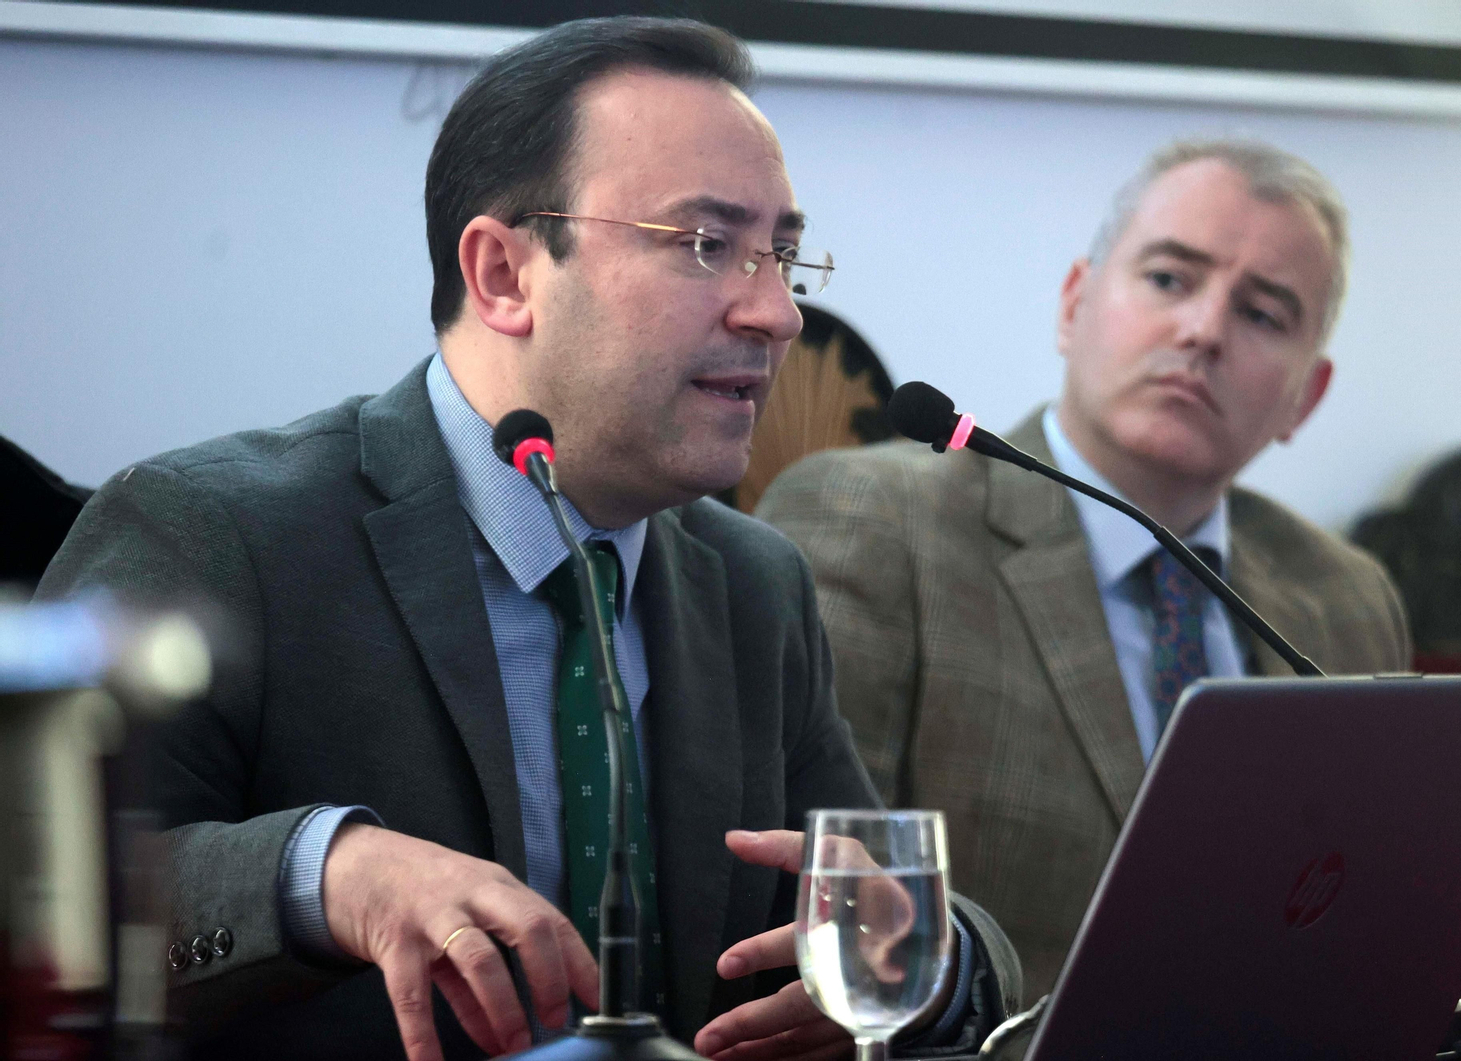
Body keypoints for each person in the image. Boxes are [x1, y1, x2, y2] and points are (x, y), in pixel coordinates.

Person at [37, 18, 1017, 1061]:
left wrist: (932, 958)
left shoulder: (752, 581)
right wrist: (321, 873)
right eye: (705, 244)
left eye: (780, 252)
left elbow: (885, 903)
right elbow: (41, 896)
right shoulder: (215, 528)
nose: (777, 312)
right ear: (503, 273)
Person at [757, 139, 1411, 999]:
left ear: (1306, 397)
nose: (1203, 330)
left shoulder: (1345, 595)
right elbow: (814, 896)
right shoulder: (876, 523)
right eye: (1170, 279)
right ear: (1075, 303)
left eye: (1263, 314)